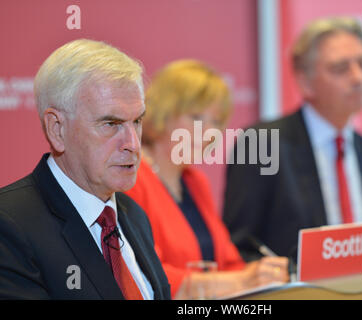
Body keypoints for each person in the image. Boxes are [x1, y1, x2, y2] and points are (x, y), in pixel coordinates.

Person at [0, 39, 170, 299]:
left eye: (137, 121)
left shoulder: (132, 214)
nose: (133, 144)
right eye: (111, 124)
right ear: (57, 129)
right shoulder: (10, 224)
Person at [223, 17, 362, 263]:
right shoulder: (260, 144)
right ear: (304, 81)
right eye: (341, 68)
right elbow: (237, 249)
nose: (359, 78)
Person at [125, 60, 288, 299]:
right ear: (163, 113)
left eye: (216, 121)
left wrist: (261, 273)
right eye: (197, 117)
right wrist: (243, 279)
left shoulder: (195, 182)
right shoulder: (131, 180)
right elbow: (146, 277)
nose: (209, 132)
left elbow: (229, 263)